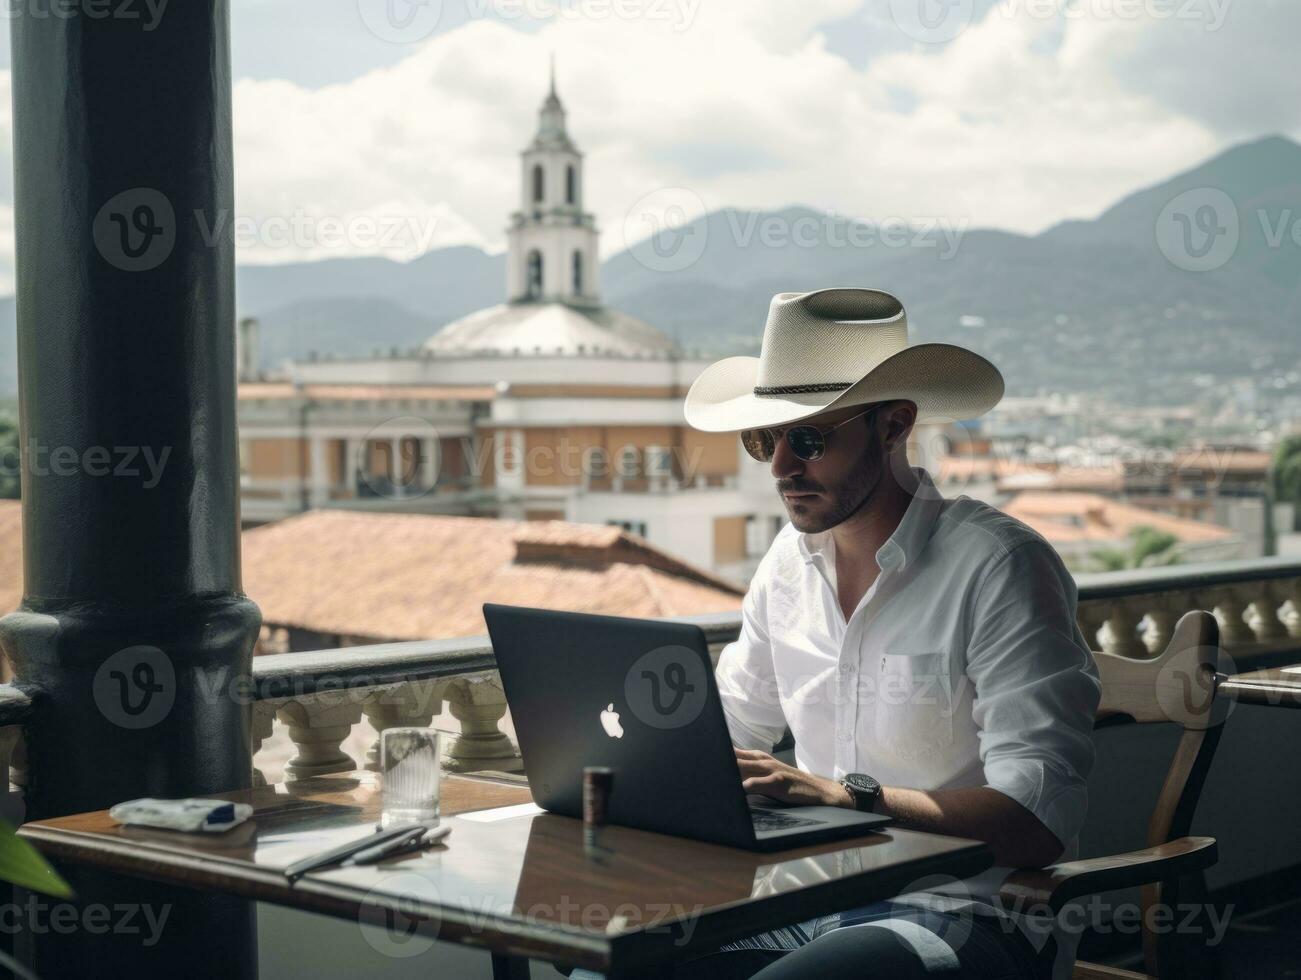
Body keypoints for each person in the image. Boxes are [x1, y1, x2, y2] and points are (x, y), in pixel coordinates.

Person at [671, 287, 1102, 979]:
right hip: (802, 901)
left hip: (966, 914)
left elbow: (1035, 822)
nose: (781, 466)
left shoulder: (998, 565)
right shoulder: (785, 565)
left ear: (893, 424)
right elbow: (728, 731)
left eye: (808, 438)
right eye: (763, 440)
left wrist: (846, 797)